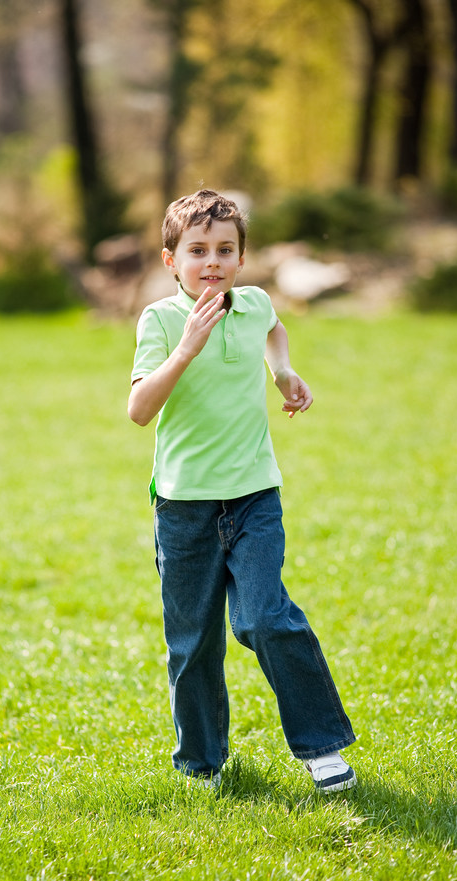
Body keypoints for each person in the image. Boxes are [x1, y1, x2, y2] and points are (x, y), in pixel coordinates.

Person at [128, 189, 356, 793]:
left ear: (241, 257)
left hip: (255, 496)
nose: (213, 262)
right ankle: (201, 764)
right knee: (193, 642)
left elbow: (273, 328)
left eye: (225, 250)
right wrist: (186, 349)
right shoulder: (160, 320)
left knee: (263, 618)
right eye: (197, 250)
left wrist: (281, 369)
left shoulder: (252, 303)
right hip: (185, 507)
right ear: (170, 259)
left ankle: (322, 747)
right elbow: (138, 409)